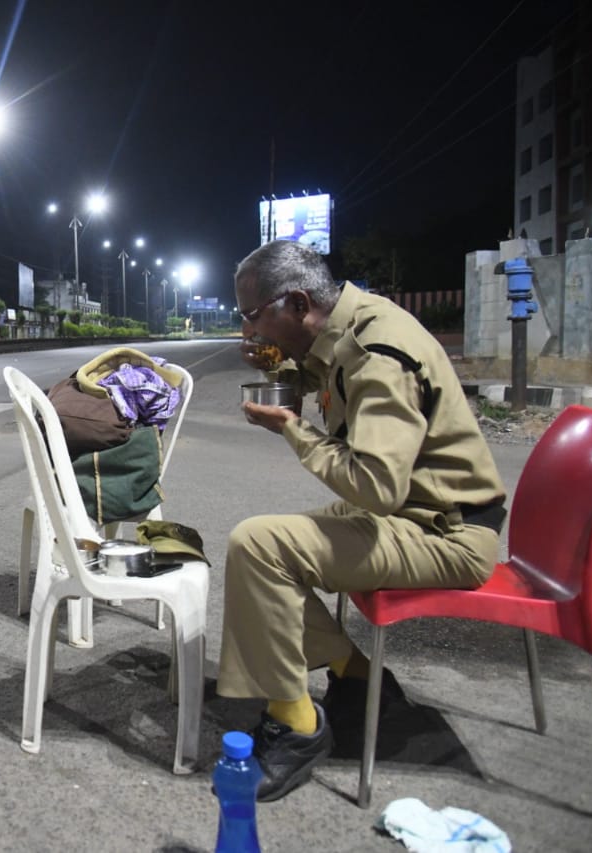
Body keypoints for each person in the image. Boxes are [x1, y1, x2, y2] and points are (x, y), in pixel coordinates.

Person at [219, 240, 507, 801]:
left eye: (254, 316)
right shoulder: (351, 329)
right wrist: (292, 372)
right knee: (268, 547)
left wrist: (290, 429)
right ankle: (356, 677)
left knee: (259, 545)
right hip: (416, 512)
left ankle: (297, 725)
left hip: (444, 531)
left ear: (298, 303)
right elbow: (329, 376)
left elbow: (376, 486)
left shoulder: (378, 350)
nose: (251, 332)